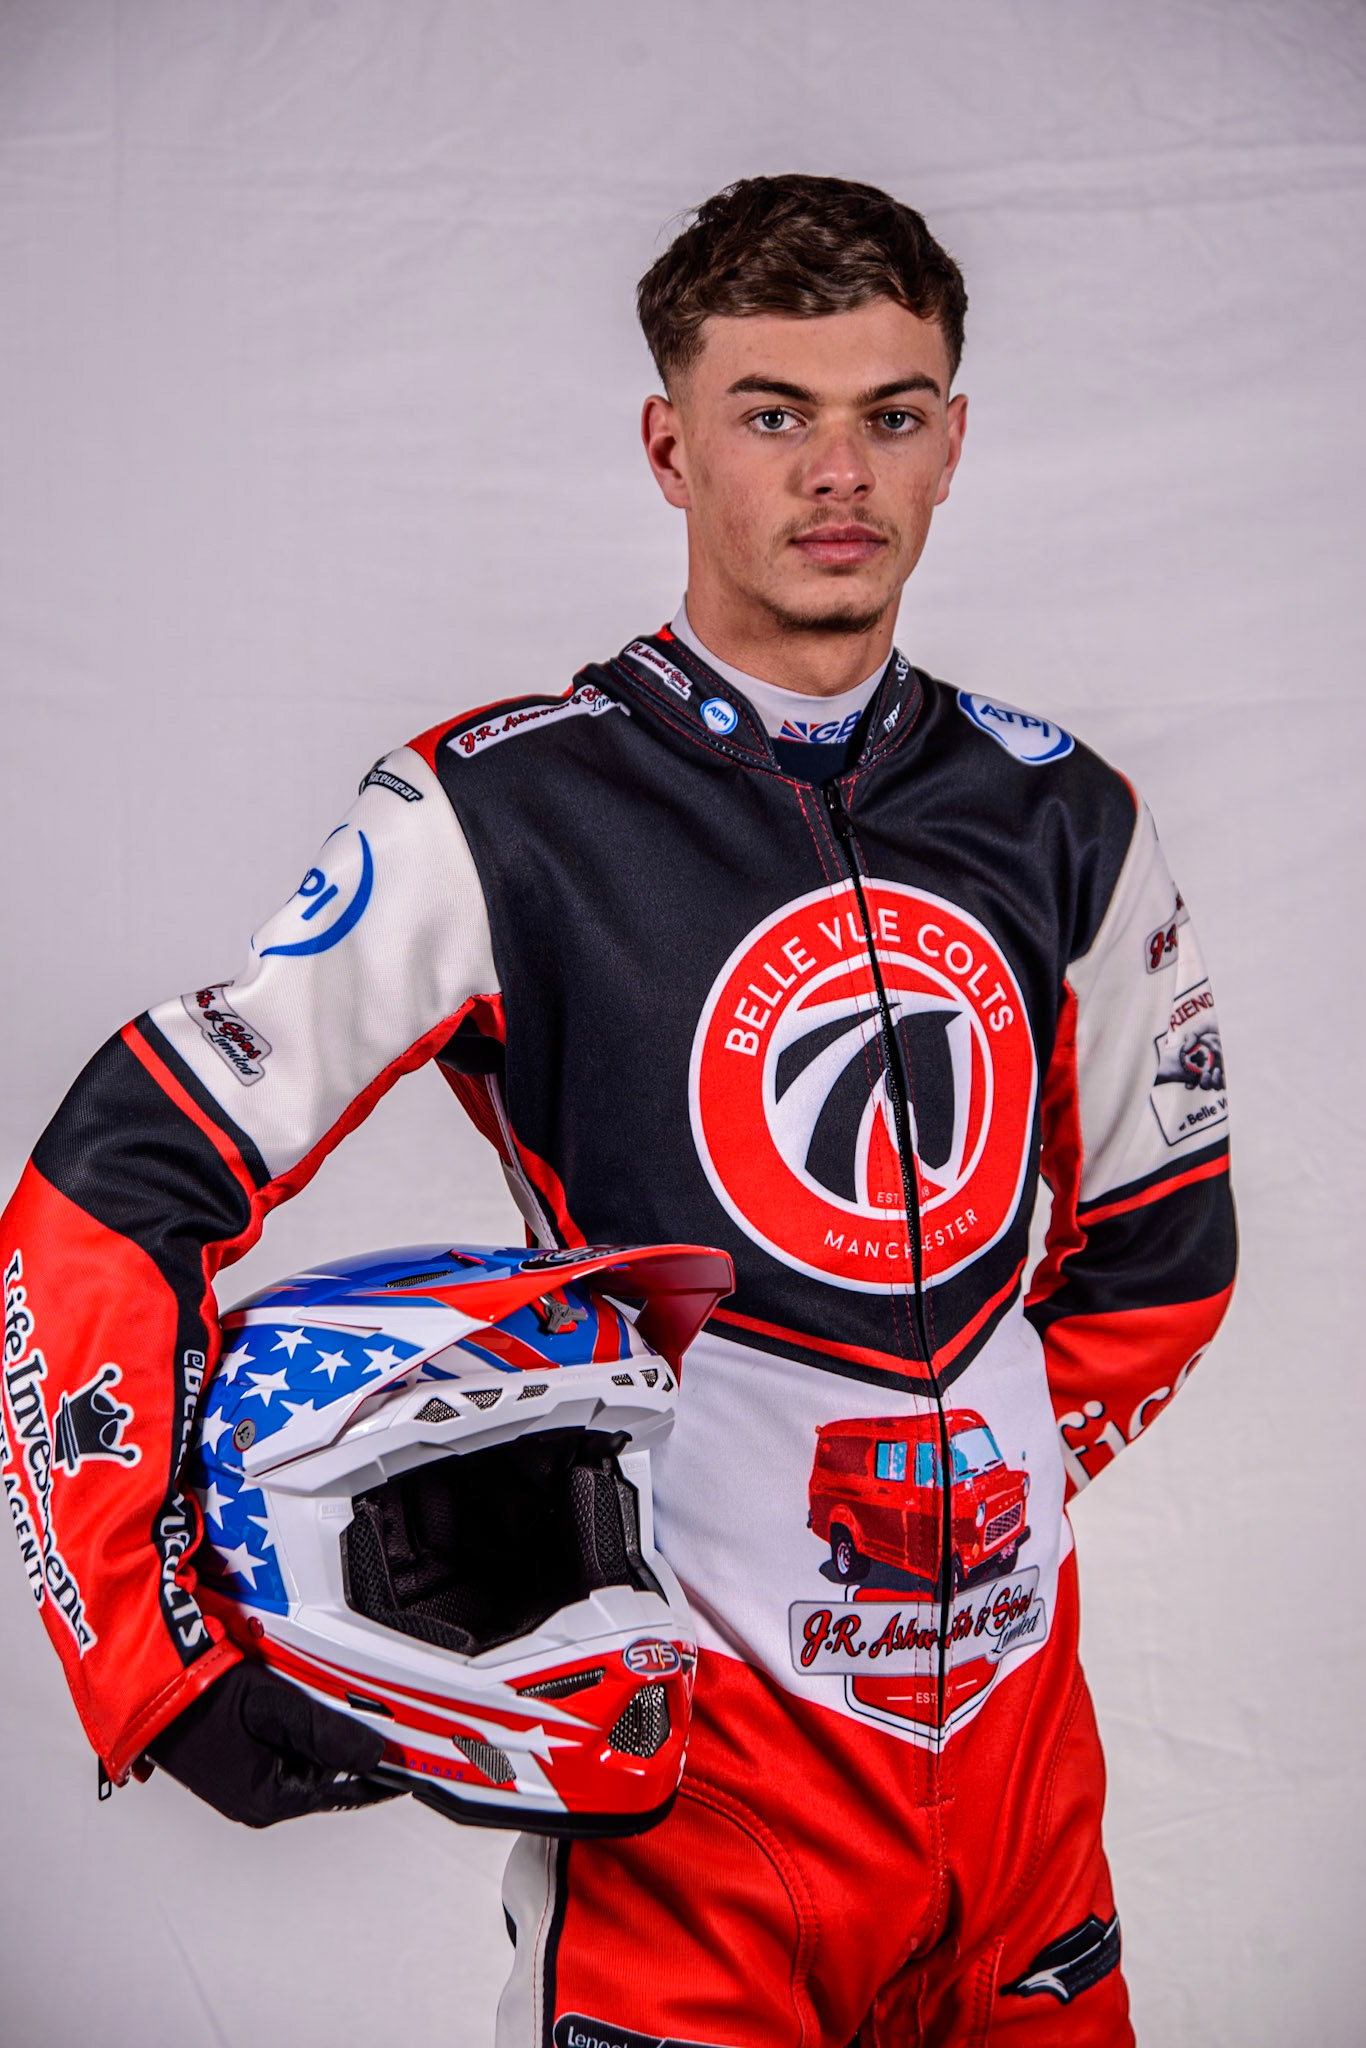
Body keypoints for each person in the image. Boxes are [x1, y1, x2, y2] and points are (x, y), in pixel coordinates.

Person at [0, 174, 1235, 2045]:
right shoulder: (502, 810)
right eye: (773, 414)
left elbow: (1165, 1255)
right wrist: (155, 1664)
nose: (839, 474)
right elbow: (116, 1179)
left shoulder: (1065, 815)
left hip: (1021, 1809)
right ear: (670, 447)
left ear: (954, 441)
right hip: (691, 1800)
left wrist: (974, 1494)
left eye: (891, 413)